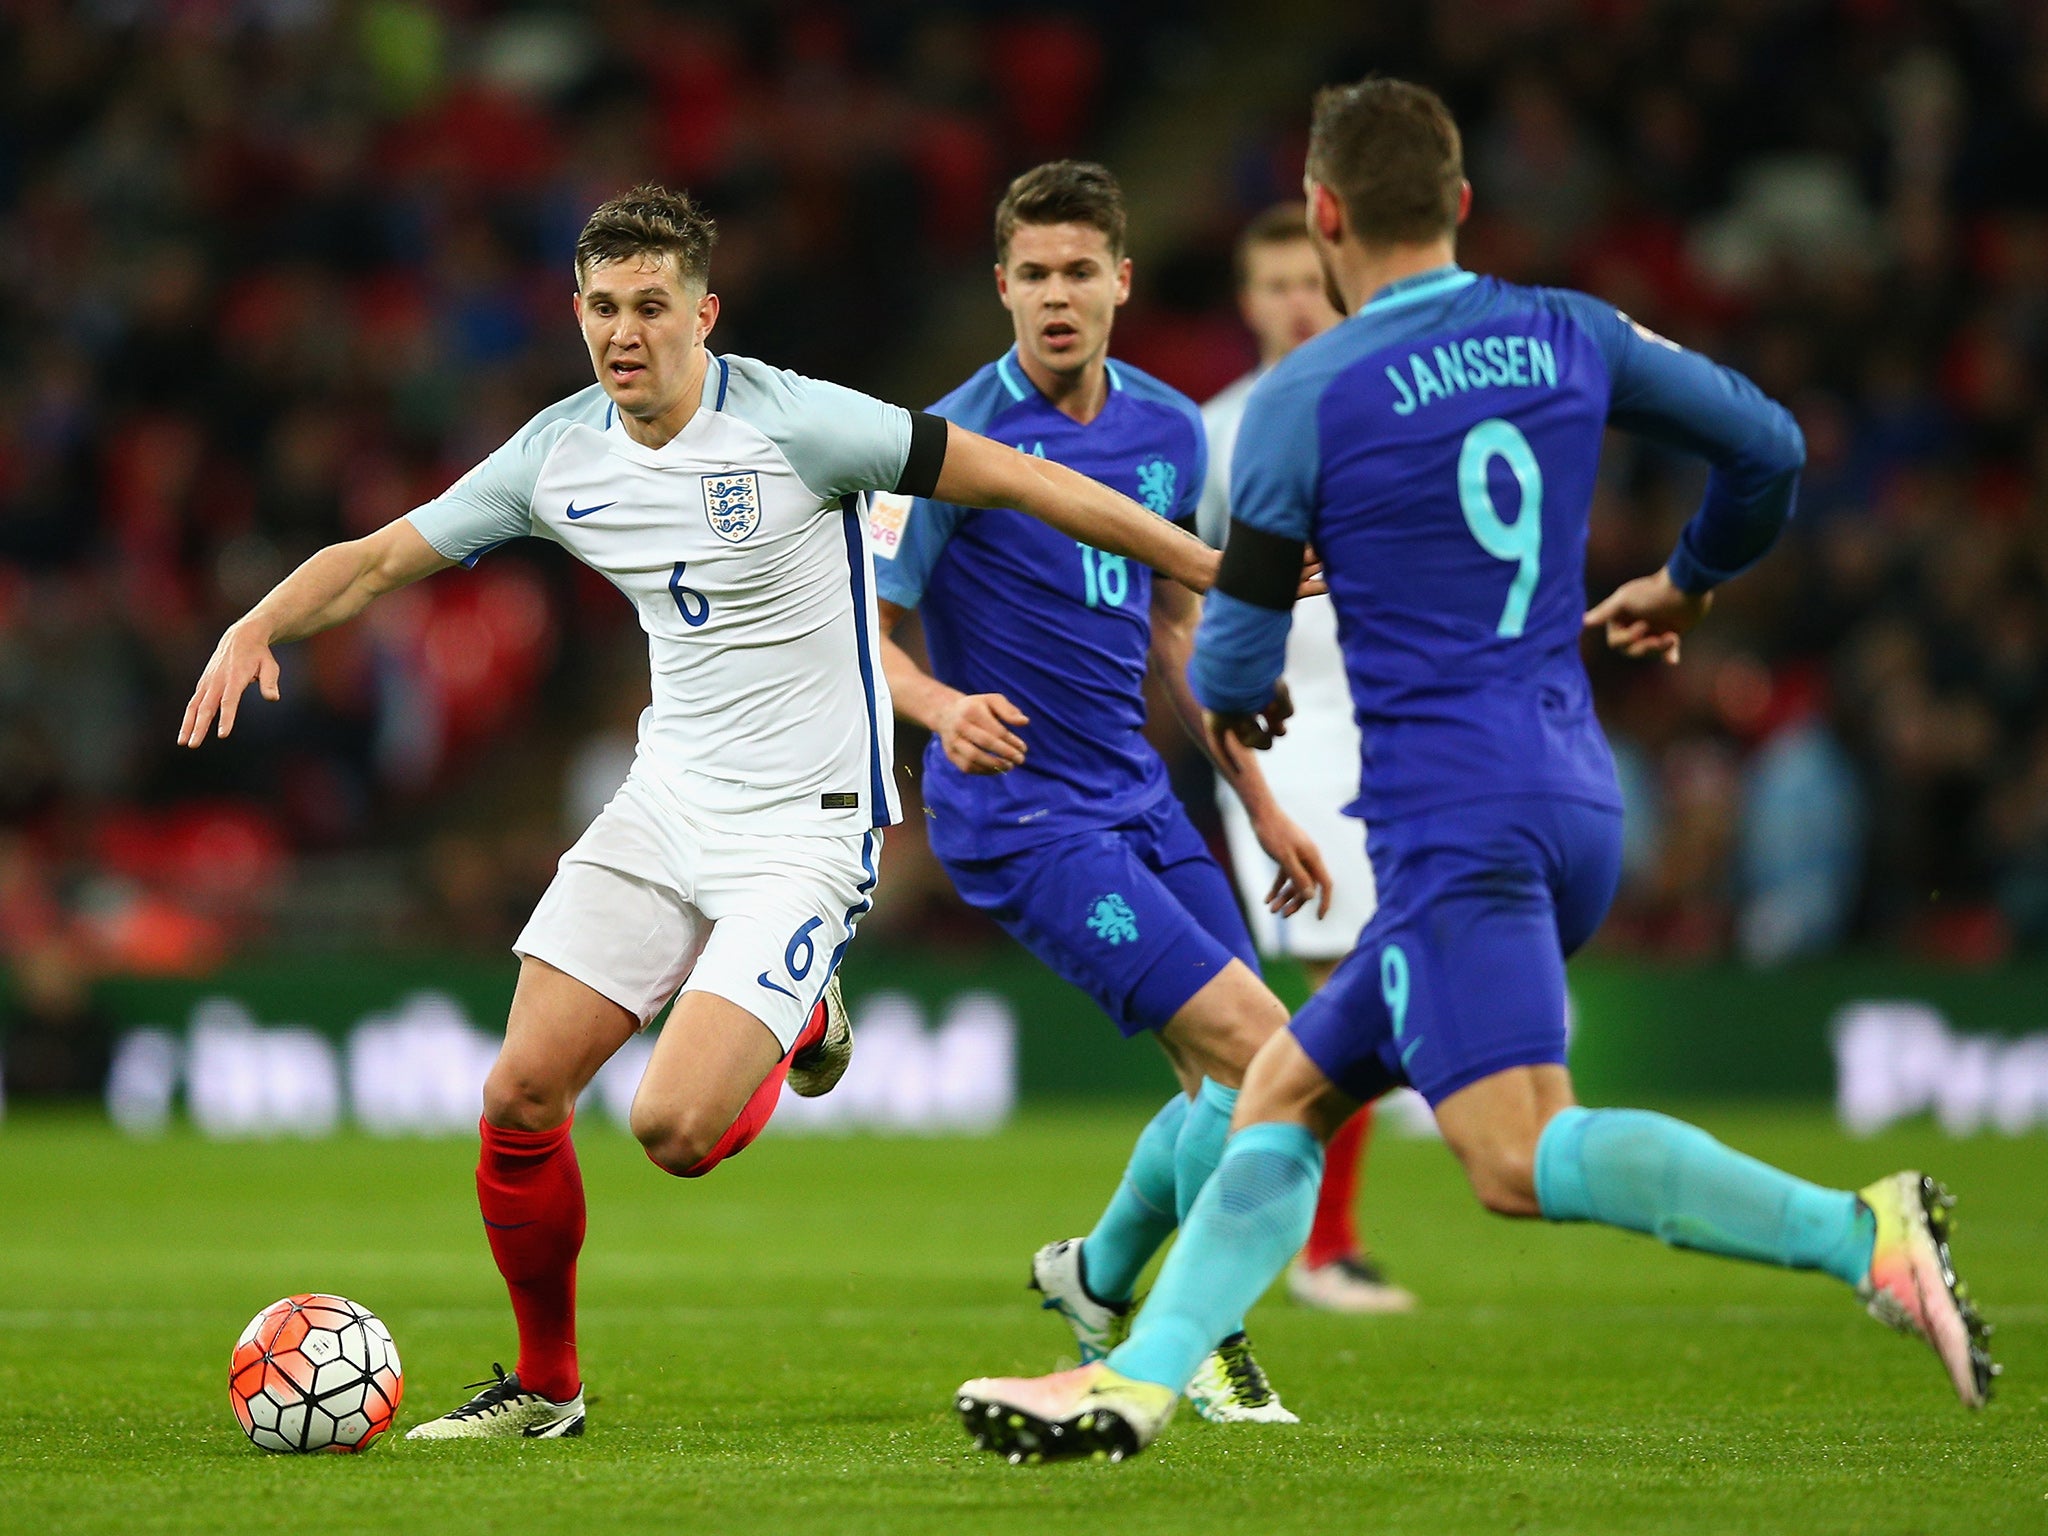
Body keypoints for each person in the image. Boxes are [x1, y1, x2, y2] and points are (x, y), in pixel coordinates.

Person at [954, 80, 1996, 1464]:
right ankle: (1139, 1375)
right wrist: (1687, 584)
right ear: (1455, 204)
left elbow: (1225, 665)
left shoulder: (1302, 397)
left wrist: (1245, 695)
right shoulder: (1568, 327)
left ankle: (1858, 1232)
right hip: (1576, 790)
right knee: (1282, 1089)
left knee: (1514, 1158)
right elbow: (1769, 447)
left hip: (1453, 821)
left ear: (1322, 218)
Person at [177, 184, 1220, 1442]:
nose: (626, 333)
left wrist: (1205, 564)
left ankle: (804, 1006)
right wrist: (256, 622)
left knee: (673, 1129)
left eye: (652, 308)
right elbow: (383, 557)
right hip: (664, 803)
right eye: (604, 309)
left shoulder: (803, 425)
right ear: (576, 313)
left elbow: (1019, 482)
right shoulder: (557, 452)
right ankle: (548, 1389)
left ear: (703, 315)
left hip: (807, 823)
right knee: (518, 1095)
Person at [871, 162, 1328, 1424]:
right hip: (1021, 821)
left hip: (1141, 801)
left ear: (1121, 282)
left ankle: (1098, 1275)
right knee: (1268, 1057)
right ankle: (1201, 1339)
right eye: (1034, 275)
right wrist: (940, 710)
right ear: (1001, 287)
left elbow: (1174, 632)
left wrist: (1259, 802)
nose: (1056, 297)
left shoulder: (1170, 430)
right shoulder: (951, 441)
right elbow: (870, 632)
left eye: (1080, 272)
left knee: (1240, 1087)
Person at [1198, 204, 1413, 1316]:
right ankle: (1320, 1249)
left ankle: (1300, 1235)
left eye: (1306, 278)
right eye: (1269, 280)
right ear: (1244, 297)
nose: (1291, 298)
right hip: (1283, 731)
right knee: (1342, 979)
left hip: (1390, 718)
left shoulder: (1385, 408)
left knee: (1369, 974)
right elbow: (1179, 594)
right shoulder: (1217, 431)